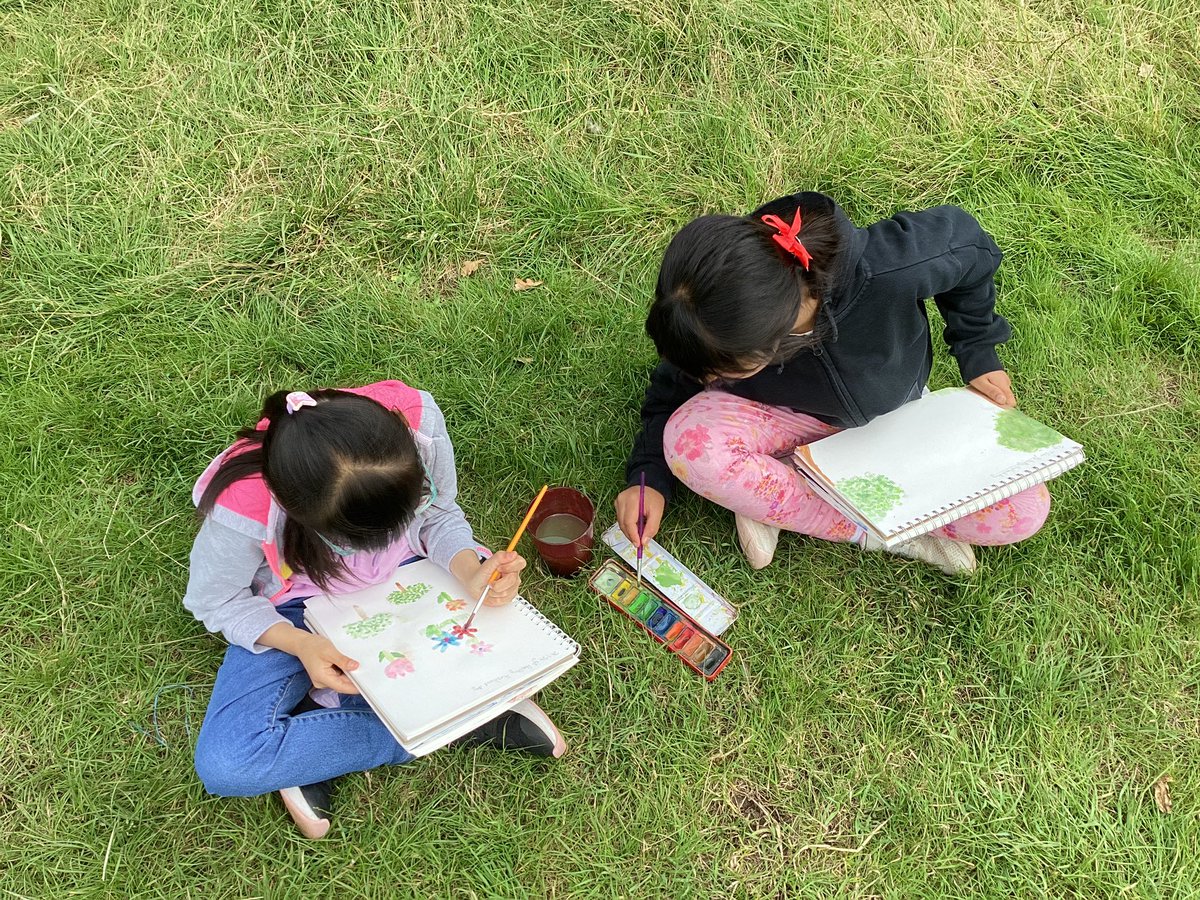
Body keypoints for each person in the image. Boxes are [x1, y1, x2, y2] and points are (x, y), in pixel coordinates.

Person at [184, 380, 565, 839]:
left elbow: (440, 515)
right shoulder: (247, 506)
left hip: (414, 575)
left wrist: (469, 569)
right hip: (294, 609)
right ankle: (460, 719)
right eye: (360, 539)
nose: (387, 540)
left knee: (492, 636)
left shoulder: (417, 426)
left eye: (403, 513)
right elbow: (216, 600)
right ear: (300, 513)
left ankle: (315, 748)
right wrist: (301, 644)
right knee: (229, 762)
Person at [615, 191, 1051, 574]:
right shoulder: (710, 323)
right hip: (781, 417)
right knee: (689, 443)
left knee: (1025, 510)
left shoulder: (888, 268)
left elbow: (971, 246)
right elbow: (673, 386)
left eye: (723, 371)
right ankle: (881, 532)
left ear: (772, 338)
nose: (708, 381)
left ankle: (776, 496)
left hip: (895, 421)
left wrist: (976, 350)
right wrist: (648, 477)